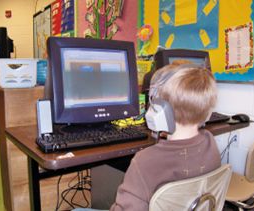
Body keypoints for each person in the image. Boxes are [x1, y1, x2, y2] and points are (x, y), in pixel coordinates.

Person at [75, 63, 221, 211]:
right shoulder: (210, 142)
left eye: (153, 103)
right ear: (207, 112)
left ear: (161, 111)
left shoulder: (144, 161)